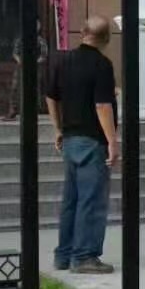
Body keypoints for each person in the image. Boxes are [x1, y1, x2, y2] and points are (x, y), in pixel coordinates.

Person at [46, 16, 120, 274]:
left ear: (82, 32)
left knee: (72, 199)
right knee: (92, 200)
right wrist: (112, 141)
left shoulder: (63, 61)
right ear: (106, 38)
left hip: (70, 139)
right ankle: (85, 256)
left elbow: (51, 96)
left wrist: (58, 128)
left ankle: (64, 255)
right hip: (92, 140)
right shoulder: (102, 65)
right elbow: (102, 106)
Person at [3, 19, 49, 121]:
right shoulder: (20, 39)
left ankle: (33, 111)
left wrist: (34, 62)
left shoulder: (41, 41)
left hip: (35, 68)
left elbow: (44, 55)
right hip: (21, 67)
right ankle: (13, 110)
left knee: (34, 89)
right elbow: (15, 53)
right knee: (15, 88)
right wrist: (20, 61)